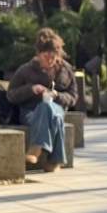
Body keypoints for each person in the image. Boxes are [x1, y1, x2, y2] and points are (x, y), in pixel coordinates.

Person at [6, 27, 78, 172]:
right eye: (46, 57)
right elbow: (11, 95)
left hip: (57, 108)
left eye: (53, 57)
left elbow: (73, 97)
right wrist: (31, 89)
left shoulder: (66, 70)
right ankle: (55, 160)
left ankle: (36, 149)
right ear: (38, 54)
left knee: (51, 110)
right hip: (30, 112)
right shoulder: (25, 70)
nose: (50, 60)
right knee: (54, 117)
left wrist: (57, 95)